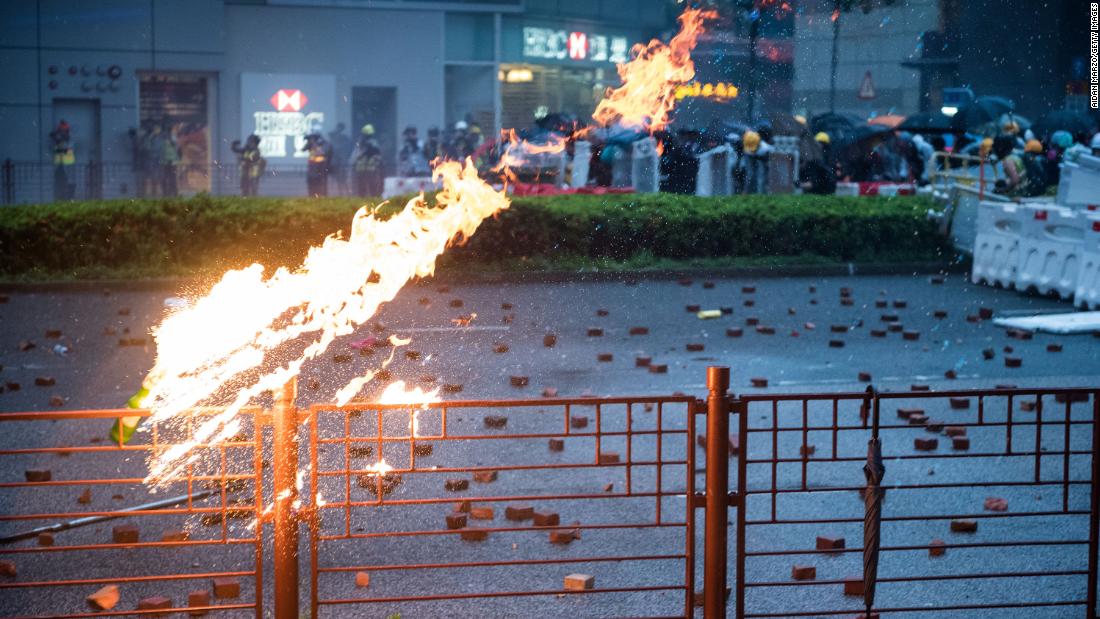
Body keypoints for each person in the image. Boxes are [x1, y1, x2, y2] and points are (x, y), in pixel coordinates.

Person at [351, 124, 383, 196]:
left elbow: (378, 156)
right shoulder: (360, 143)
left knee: (371, 186)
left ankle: (372, 199)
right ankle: (367, 199)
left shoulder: (373, 144)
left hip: (368, 168)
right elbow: (356, 155)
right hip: (364, 168)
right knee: (364, 187)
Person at [49, 120, 75, 200]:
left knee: (69, 180)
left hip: (68, 162)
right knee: (59, 180)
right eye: (61, 129)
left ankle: (69, 197)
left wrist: (61, 141)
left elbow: (68, 148)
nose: (62, 131)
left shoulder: (69, 137)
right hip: (59, 163)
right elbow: (54, 145)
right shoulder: (58, 135)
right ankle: (61, 196)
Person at [302, 133, 331, 197]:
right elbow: (303, 149)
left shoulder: (324, 144)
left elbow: (323, 153)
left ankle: (321, 195)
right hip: (312, 167)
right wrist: (310, 143)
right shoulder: (310, 144)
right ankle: (312, 195)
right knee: (311, 181)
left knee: (320, 182)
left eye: (313, 139)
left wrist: (314, 144)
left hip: (320, 167)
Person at [327, 123, 352, 196]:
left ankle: (346, 193)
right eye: (338, 128)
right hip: (335, 162)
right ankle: (340, 193)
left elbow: (347, 148)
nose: (339, 130)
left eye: (340, 128)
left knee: (343, 180)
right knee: (337, 179)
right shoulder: (332, 136)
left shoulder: (345, 138)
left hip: (341, 162)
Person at [158, 124, 180, 198]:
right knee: (164, 178)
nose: (166, 132)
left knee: (172, 179)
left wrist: (169, 138)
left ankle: (174, 193)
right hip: (164, 162)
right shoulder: (161, 139)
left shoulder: (172, 137)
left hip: (172, 162)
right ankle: (165, 193)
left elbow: (174, 145)